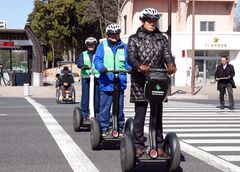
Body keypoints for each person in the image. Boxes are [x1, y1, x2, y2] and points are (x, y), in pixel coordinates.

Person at [127, 8, 176, 157]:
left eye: (154, 20)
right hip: (140, 81)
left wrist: (171, 64)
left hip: (157, 80)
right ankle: (138, 144)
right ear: (143, 21)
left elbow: (167, 55)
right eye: (149, 20)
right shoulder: (134, 38)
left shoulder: (162, 38)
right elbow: (131, 57)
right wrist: (139, 66)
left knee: (157, 115)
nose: (152, 23)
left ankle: (159, 144)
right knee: (140, 115)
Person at [94, 23, 129, 137]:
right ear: (108, 35)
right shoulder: (102, 46)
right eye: (111, 34)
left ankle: (119, 127)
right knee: (105, 107)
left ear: (119, 34)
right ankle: (104, 129)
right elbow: (98, 59)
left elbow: (129, 61)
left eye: (116, 34)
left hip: (119, 81)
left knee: (119, 107)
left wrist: (130, 69)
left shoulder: (124, 47)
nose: (114, 36)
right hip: (106, 81)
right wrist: (101, 68)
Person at [76, 37, 100, 120]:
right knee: (85, 97)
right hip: (86, 78)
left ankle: (97, 114)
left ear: (95, 45)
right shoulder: (83, 54)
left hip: (97, 78)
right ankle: (84, 115)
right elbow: (79, 62)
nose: (90, 46)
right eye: (89, 45)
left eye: (92, 44)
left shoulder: (99, 53)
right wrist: (82, 65)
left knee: (97, 97)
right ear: (86, 46)